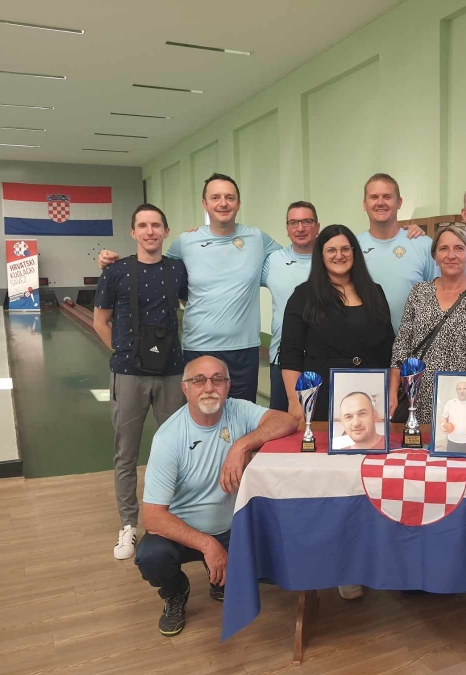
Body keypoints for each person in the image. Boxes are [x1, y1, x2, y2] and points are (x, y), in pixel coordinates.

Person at [134, 355, 297, 636]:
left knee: (280, 564)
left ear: (228, 386)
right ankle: (176, 592)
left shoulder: (238, 410)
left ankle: (219, 578)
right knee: (151, 556)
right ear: (185, 388)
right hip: (186, 534)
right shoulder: (168, 438)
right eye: (199, 380)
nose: (209, 387)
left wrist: (240, 446)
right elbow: (152, 517)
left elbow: (287, 421)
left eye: (218, 379)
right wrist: (208, 545)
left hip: (233, 527)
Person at [99, 173, 281, 402]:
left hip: (245, 349)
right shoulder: (186, 241)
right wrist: (112, 263)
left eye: (230, 197)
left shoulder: (256, 238)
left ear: (238, 203)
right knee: (202, 415)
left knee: (242, 415)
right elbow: (154, 266)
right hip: (198, 348)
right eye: (215, 197)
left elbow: (290, 261)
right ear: (205, 204)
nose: (223, 203)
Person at [93, 204, 189, 560]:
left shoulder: (177, 269)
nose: (150, 231)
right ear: (133, 232)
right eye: (143, 226)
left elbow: (193, 302)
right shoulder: (115, 272)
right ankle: (129, 524)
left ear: (166, 231)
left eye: (156, 225)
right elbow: (100, 321)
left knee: (175, 450)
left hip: (171, 373)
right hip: (129, 375)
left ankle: (173, 516)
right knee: (127, 453)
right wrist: (123, 354)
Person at [389, 224, 466, 426]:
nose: (451, 255)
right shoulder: (419, 293)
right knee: (422, 446)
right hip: (421, 396)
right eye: (444, 249)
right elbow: (401, 347)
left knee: (464, 443)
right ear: (435, 256)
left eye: (459, 248)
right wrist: (393, 392)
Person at [280, 224, 394, 424]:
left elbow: (388, 347)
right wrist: (294, 399)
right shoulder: (303, 295)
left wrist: (390, 391)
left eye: (345, 249)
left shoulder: (375, 292)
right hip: (322, 394)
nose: (339, 255)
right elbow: (291, 353)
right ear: (321, 255)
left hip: (371, 392)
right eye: (331, 250)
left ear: (354, 252)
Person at [357, 174, 439, 332]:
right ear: (364, 204)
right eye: (374, 197)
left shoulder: (423, 245)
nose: (380, 202)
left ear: (399, 202)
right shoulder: (353, 248)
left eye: (387, 197)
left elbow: (439, 298)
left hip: (415, 343)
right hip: (366, 342)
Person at [263, 201, 320, 411]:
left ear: (317, 226)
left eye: (307, 221)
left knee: (320, 423)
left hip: (322, 358)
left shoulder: (332, 258)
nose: (300, 228)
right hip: (282, 358)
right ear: (287, 229)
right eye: (293, 222)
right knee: (282, 421)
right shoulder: (273, 261)